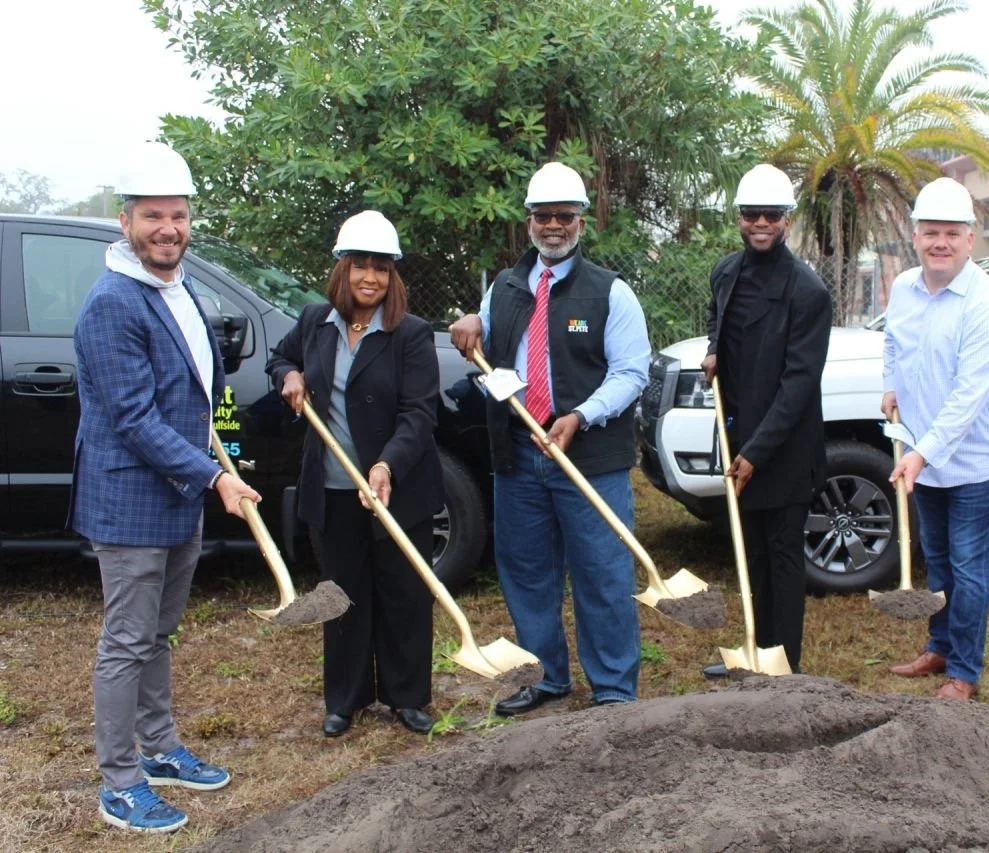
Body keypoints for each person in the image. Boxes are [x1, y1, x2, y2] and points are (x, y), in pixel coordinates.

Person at [70, 141, 261, 834]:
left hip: (177, 494)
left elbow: (195, 394)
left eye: (178, 215)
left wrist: (211, 465)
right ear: (125, 221)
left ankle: (159, 747)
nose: (167, 228)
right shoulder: (112, 304)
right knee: (127, 638)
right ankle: (119, 781)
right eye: (152, 215)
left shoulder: (177, 290)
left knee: (159, 631)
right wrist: (214, 476)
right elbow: (132, 416)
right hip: (129, 498)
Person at [449, 162, 650, 714]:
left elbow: (632, 373)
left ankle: (612, 689)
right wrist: (471, 319)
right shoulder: (506, 288)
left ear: (581, 221)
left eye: (565, 215)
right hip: (518, 457)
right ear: (529, 221)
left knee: (603, 572)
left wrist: (581, 416)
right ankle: (544, 678)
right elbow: (486, 341)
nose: (554, 226)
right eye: (544, 216)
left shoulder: (611, 293)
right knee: (527, 574)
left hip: (590, 458)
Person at [266, 211, 443, 739]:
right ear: (341, 270)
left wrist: (386, 464)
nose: (371, 278)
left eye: (382, 269)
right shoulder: (314, 321)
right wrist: (290, 374)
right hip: (334, 488)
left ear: (393, 278)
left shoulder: (409, 335)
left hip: (397, 486)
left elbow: (420, 413)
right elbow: (279, 359)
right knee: (341, 593)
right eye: (361, 266)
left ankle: (407, 697)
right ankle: (345, 699)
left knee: (404, 592)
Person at [881, 177, 989, 701]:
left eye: (951, 234)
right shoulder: (904, 288)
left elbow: (969, 397)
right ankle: (939, 646)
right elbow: (893, 344)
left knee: (969, 567)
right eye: (930, 232)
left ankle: (964, 669)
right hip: (927, 454)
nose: (939, 242)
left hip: (978, 462)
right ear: (914, 236)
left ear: (971, 239)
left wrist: (920, 454)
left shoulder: (988, 305)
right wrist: (890, 386)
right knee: (938, 559)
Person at [700, 164, 832, 678]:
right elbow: (717, 316)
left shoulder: (808, 292)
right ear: (738, 218)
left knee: (782, 559)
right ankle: (757, 650)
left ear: (786, 220)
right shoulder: (726, 271)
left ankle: (785, 667)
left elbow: (800, 385)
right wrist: (714, 350)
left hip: (783, 449)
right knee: (748, 552)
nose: (760, 223)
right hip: (738, 433)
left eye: (770, 215)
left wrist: (756, 452)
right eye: (751, 214)